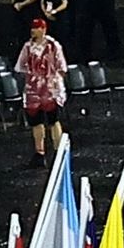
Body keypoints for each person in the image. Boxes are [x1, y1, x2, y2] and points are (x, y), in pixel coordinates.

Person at [19, 11, 72, 161]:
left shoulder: (53, 46)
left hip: (50, 90)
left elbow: (62, 68)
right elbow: (21, 66)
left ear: (43, 29)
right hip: (33, 91)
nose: (33, 30)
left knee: (53, 120)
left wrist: (54, 84)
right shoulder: (27, 47)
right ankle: (39, 152)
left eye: (36, 28)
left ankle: (58, 152)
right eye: (32, 28)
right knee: (36, 122)